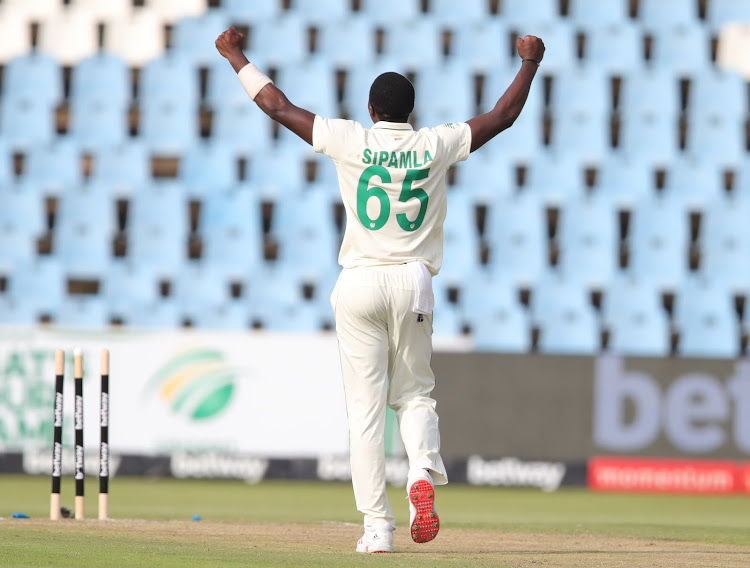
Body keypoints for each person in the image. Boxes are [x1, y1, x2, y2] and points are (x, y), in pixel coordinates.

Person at [216, 26, 544, 554]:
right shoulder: (434, 144)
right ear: (411, 113)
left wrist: (236, 56)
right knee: (414, 393)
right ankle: (420, 475)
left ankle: (377, 528)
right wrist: (529, 64)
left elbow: (277, 107)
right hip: (413, 282)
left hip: (361, 281)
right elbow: (503, 117)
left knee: (365, 412)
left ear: (371, 109)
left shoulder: (352, 139)